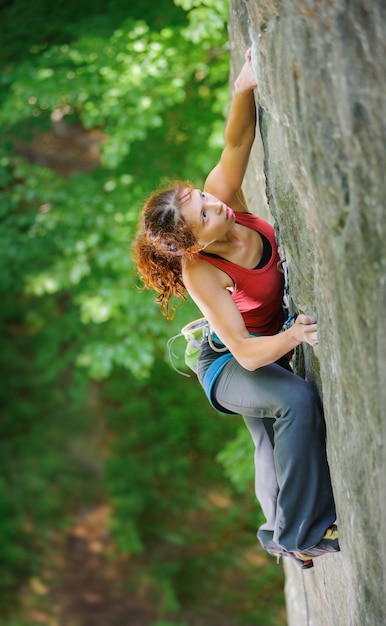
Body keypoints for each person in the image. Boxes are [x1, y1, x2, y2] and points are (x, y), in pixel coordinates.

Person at [134, 49, 339, 569]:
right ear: (193, 244)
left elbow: (237, 140)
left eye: (201, 197)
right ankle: (297, 535)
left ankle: (280, 532)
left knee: (272, 440)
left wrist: (244, 86)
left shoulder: (225, 197)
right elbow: (247, 354)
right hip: (228, 364)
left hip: (261, 345)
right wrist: (295, 337)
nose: (215, 204)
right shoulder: (201, 271)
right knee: (292, 403)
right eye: (203, 214)